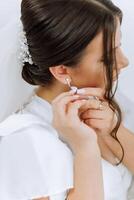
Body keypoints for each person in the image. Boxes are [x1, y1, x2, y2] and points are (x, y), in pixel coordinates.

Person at [0, 0, 134, 199]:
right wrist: (85, 149)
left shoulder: (102, 105)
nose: (124, 62)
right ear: (62, 70)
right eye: (107, 57)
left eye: (119, 47)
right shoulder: (25, 140)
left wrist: (114, 129)